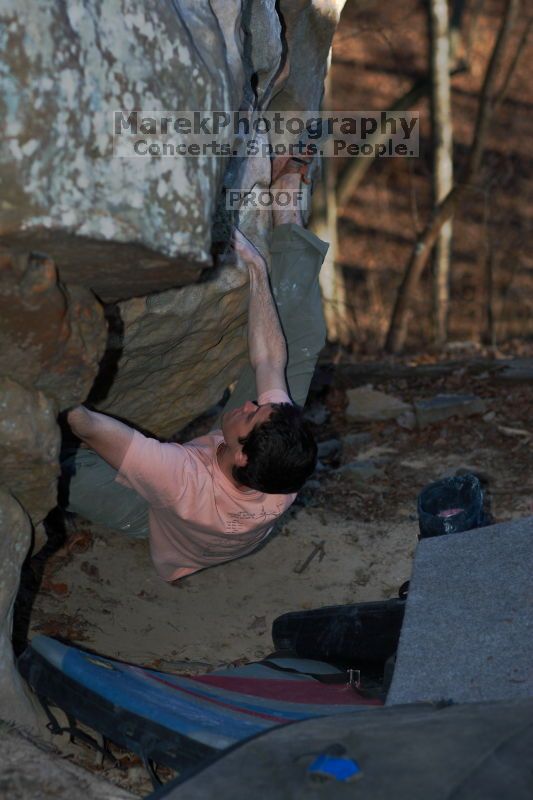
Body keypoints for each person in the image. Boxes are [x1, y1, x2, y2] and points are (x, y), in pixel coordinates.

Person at [62, 155, 329, 582]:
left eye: (250, 413)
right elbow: (270, 359)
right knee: (303, 340)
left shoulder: (181, 485)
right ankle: (286, 205)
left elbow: (87, 424)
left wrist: (44, 387)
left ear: (241, 453)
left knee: (59, 463)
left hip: (164, 522)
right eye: (261, 405)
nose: (249, 404)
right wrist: (257, 269)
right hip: (231, 494)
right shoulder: (279, 457)